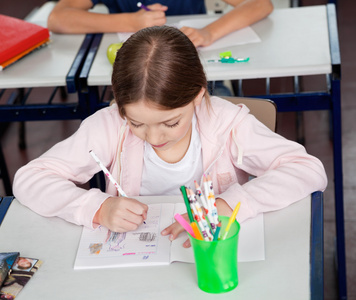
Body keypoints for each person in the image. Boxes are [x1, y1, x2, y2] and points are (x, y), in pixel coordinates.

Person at [13, 26, 327, 248]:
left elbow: (309, 171)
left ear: (197, 96)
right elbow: (29, 179)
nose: (152, 136)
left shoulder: (228, 124)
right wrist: (94, 207)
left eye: (170, 122)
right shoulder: (109, 125)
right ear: (120, 107)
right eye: (136, 123)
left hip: (213, 257)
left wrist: (228, 205)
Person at [47, 0, 274, 48]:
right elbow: (57, 18)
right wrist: (131, 21)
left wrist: (208, 32)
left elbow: (260, 4)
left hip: (195, 73)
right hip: (135, 78)